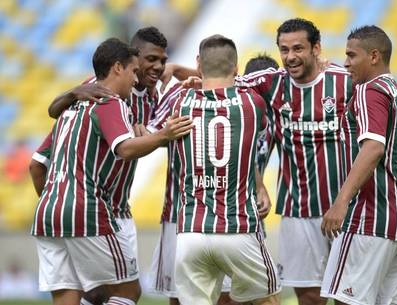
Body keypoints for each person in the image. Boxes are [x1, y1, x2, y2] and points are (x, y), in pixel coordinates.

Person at [160, 19, 352, 305]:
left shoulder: (344, 81)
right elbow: (223, 78)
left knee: (349, 296)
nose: (290, 56)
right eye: (284, 50)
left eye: (298, 48)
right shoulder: (271, 83)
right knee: (309, 296)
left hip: (345, 207)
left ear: (316, 48)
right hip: (297, 209)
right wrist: (190, 75)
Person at [29, 37, 192, 305]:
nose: (136, 78)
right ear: (118, 68)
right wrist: (165, 134)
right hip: (88, 208)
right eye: (133, 71)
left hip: (48, 210)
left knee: (67, 293)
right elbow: (125, 149)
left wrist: (57, 203)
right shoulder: (111, 101)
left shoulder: (74, 104)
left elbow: (35, 165)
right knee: (127, 291)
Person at [169, 34, 280, 305]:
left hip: (191, 231)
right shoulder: (252, 104)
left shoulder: (180, 104)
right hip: (237, 227)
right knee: (268, 299)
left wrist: (197, 79)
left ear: (198, 63)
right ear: (236, 67)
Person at [320, 25, 397, 305]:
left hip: (372, 216)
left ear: (374, 56)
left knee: (346, 300)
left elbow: (374, 147)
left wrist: (341, 202)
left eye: (352, 55)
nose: (346, 62)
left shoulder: (369, 89)